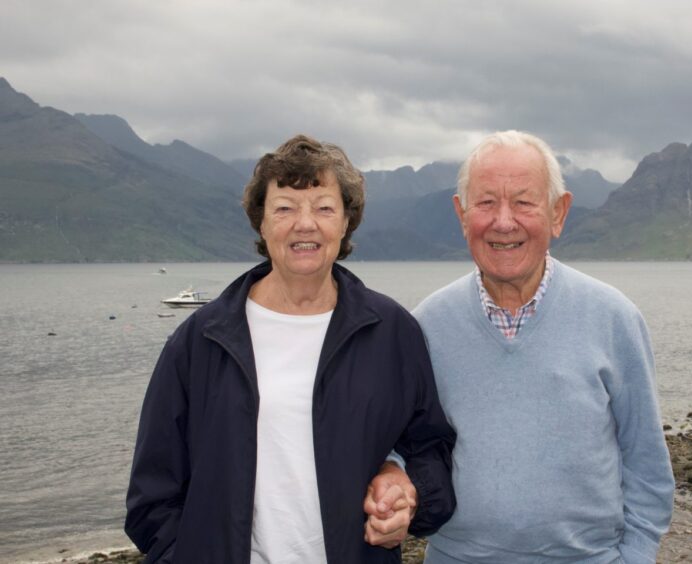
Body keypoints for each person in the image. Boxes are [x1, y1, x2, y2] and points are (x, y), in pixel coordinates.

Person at [125, 134, 456, 564]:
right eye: (284, 208)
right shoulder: (200, 341)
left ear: (345, 223)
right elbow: (151, 496)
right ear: (261, 223)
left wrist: (408, 494)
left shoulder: (392, 332)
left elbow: (429, 451)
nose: (306, 224)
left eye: (323, 207)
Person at [366, 130, 674, 563]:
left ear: (558, 213)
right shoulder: (425, 326)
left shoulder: (614, 319)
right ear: (461, 214)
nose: (504, 222)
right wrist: (391, 475)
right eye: (486, 202)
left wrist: (635, 556)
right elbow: (398, 441)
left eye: (524, 202)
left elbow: (647, 464)